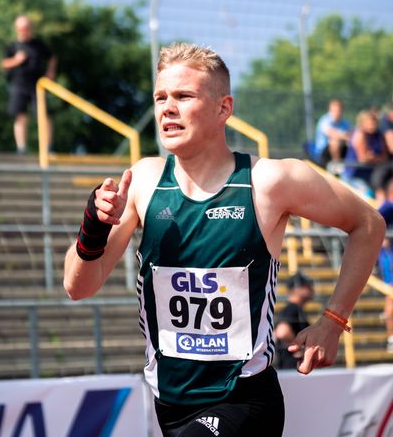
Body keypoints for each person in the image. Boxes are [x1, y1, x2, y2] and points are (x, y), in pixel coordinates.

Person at [63, 43, 385, 437]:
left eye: (183, 96)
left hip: (244, 400)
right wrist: (93, 226)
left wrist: (333, 321)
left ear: (223, 109)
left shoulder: (270, 181)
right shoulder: (144, 181)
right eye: (160, 97)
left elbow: (368, 224)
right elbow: (79, 285)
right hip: (170, 404)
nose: (167, 108)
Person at [0, 15, 57, 154]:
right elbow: (4, 64)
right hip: (19, 85)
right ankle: (21, 148)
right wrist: (16, 60)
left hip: (38, 86)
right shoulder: (12, 46)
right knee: (20, 116)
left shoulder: (38, 44)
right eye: (22, 28)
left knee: (44, 116)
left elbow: (52, 58)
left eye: (27, 28)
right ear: (17, 29)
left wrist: (50, 73)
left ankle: (48, 149)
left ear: (31, 28)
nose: (25, 31)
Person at [342, 109, 389, 197]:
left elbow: (384, 157)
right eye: (370, 121)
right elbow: (363, 158)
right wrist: (376, 157)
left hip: (371, 175)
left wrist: (372, 157)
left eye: (374, 121)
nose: (373, 124)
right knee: (368, 195)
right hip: (354, 175)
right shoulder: (359, 134)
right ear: (363, 123)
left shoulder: (379, 135)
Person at [274, 272, 314, 369]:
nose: (311, 289)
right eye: (306, 286)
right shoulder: (291, 308)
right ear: (296, 288)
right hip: (292, 367)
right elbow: (282, 332)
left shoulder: (296, 309)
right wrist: (298, 348)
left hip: (293, 368)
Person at [377, 178, 393, 353]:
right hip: (390, 258)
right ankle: (391, 337)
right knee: (391, 293)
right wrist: (384, 239)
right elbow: (375, 220)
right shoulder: (388, 207)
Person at [313, 99, 351, 170]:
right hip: (324, 152)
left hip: (341, 148)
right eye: (334, 110)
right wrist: (345, 136)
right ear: (330, 110)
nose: (337, 113)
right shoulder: (325, 120)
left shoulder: (345, 122)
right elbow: (332, 133)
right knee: (334, 140)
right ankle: (337, 165)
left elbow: (350, 136)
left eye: (339, 110)